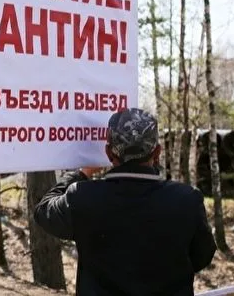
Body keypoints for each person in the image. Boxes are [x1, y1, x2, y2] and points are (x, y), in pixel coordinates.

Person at [34, 108, 217, 296]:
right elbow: (203, 255)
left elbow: (43, 211)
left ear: (108, 152)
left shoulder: (83, 198)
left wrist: (82, 173)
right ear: (157, 152)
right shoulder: (187, 200)